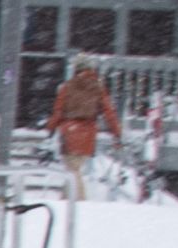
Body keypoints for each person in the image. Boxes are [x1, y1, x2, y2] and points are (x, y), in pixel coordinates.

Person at [46, 57, 123, 199]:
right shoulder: (98, 87)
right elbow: (108, 111)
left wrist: (50, 129)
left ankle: (80, 202)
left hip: (69, 131)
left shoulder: (67, 87)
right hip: (88, 131)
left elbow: (58, 111)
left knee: (72, 170)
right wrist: (116, 132)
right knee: (73, 169)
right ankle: (65, 199)